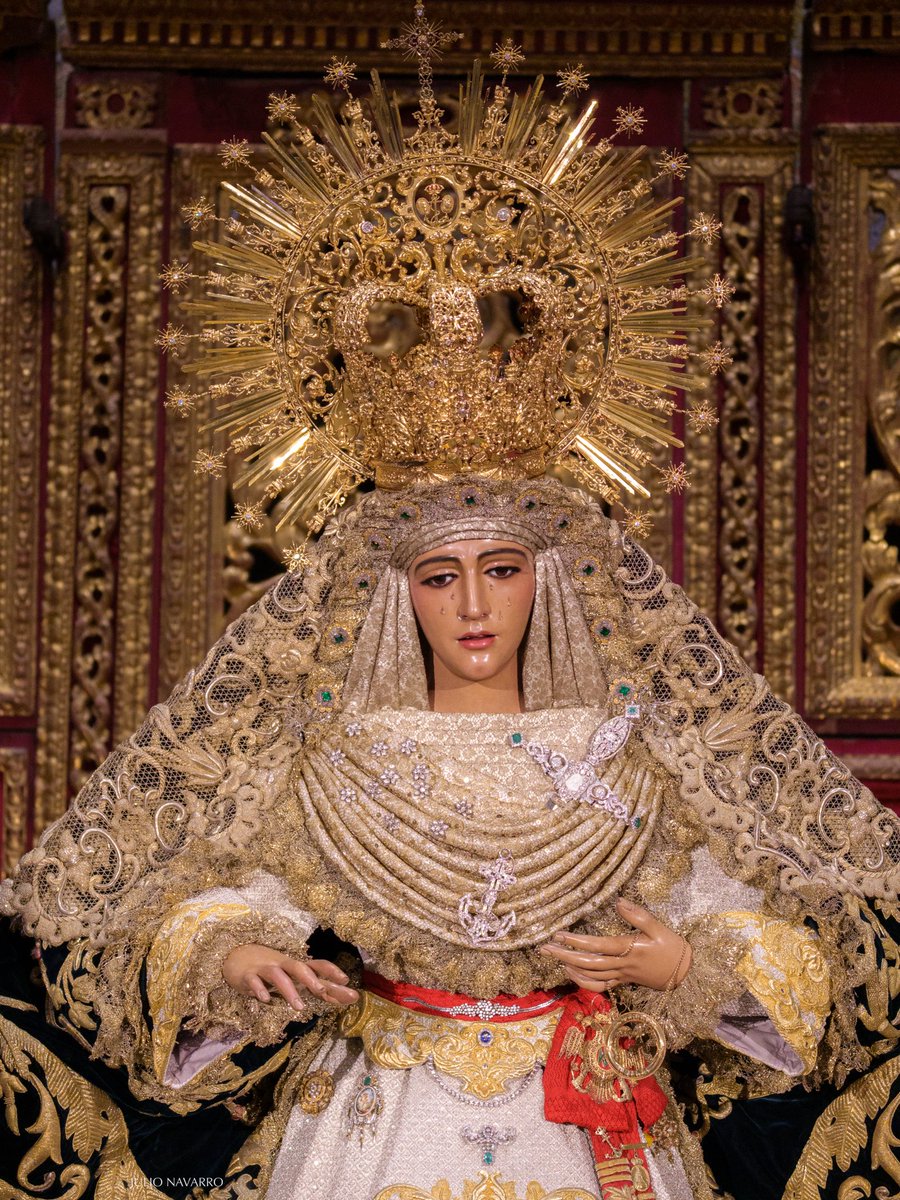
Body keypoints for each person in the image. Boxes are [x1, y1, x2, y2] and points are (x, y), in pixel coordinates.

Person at [2, 11, 899, 1199]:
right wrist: (235, 951)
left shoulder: (627, 757)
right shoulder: (339, 753)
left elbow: (753, 923)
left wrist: (689, 960)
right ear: (397, 596)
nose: (473, 603)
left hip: (591, 1114)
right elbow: (216, 895)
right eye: (438, 576)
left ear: (550, 580)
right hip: (379, 1104)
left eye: (502, 568)